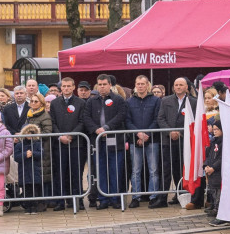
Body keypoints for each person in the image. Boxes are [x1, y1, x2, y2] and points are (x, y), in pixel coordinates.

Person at [84, 74, 128, 209]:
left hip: (115, 141)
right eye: (100, 84)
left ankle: (115, 199)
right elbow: (86, 117)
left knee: (115, 171)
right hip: (97, 142)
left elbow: (121, 115)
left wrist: (107, 128)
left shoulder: (118, 99)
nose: (102, 87)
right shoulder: (91, 101)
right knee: (100, 171)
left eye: (104, 84)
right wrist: (96, 129)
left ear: (110, 85)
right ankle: (103, 199)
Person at [49, 76, 87, 211]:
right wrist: (60, 136)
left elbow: (82, 121)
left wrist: (71, 135)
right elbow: (52, 122)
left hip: (76, 144)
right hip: (59, 145)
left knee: (76, 173)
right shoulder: (54, 103)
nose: (66, 88)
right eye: (64, 86)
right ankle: (61, 201)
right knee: (60, 173)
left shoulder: (80, 102)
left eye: (68, 86)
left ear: (73, 87)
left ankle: (78, 201)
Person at [156, 77, 192, 207]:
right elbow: (160, 118)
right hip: (168, 141)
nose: (178, 87)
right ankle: (162, 199)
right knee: (166, 170)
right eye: (176, 85)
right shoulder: (166, 100)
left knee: (181, 170)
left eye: (181, 85)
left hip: (184, 142)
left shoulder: (192, 102)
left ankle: (180, 196)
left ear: (186, 87)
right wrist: (170, 132)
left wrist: (180, 133)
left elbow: (194, 121)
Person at [126, 75, 161, 209]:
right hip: (135, 140)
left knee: (153, 170)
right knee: (135, 171)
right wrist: (138, 134)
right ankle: (136, 197)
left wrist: (147, 134)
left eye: (143, 84)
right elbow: (127, 120)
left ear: (147, 85)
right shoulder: (129, 101)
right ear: (135, 85)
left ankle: (153, 196)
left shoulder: (156, 100)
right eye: (138, 84)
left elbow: (157, 119)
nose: (140, 86)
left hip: (152, 140)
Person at [25, 92, 54, 207]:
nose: (33, 103)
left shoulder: (45, 115)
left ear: (41, 103)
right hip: (31, 148)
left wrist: (33, 135)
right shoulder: (29, 114)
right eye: (31, 101)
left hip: (43, 148)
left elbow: (47, 132)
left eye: (36, 101)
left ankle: (43, 201)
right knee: (35, 175)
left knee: (43, 175)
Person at [15, 123, 44, 213]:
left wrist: (32, 153)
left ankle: (34, 206)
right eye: (27, 133)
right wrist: (25, 155)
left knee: (35, 189)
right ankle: (27, 207)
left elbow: (41, 154)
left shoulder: (37, 144)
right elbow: (16, 157)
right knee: (26, 189)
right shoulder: (19, 145)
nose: (29, 135)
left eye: (31, 133)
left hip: (35, 171)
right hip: (24, 171)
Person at [204, 119, 229, 227]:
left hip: (219, 172)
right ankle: (216, 209)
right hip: (212, 172)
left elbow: (221, 158)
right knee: (214, 192)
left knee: (220, 194)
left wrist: (213, 167)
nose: (215, 131)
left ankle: (221, 213)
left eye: (217, 129)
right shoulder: (213, 142)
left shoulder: (224, 142)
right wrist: (206, 166)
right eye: (213, 129)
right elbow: (208, 156)